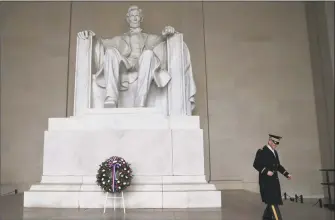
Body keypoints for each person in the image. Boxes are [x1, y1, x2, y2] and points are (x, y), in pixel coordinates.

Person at [253, 134, 292, 220]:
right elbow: (256, 164)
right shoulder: (262, 151)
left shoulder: (275, 152)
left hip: (274, 182)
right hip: (266, 182)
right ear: (269, 141)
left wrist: (286, 174)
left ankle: (266, 218)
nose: (275, 144)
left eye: (277, 143)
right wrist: (266, 171)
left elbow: (277, 166)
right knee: (273, 203)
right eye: (274, 142)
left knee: (272, 202)